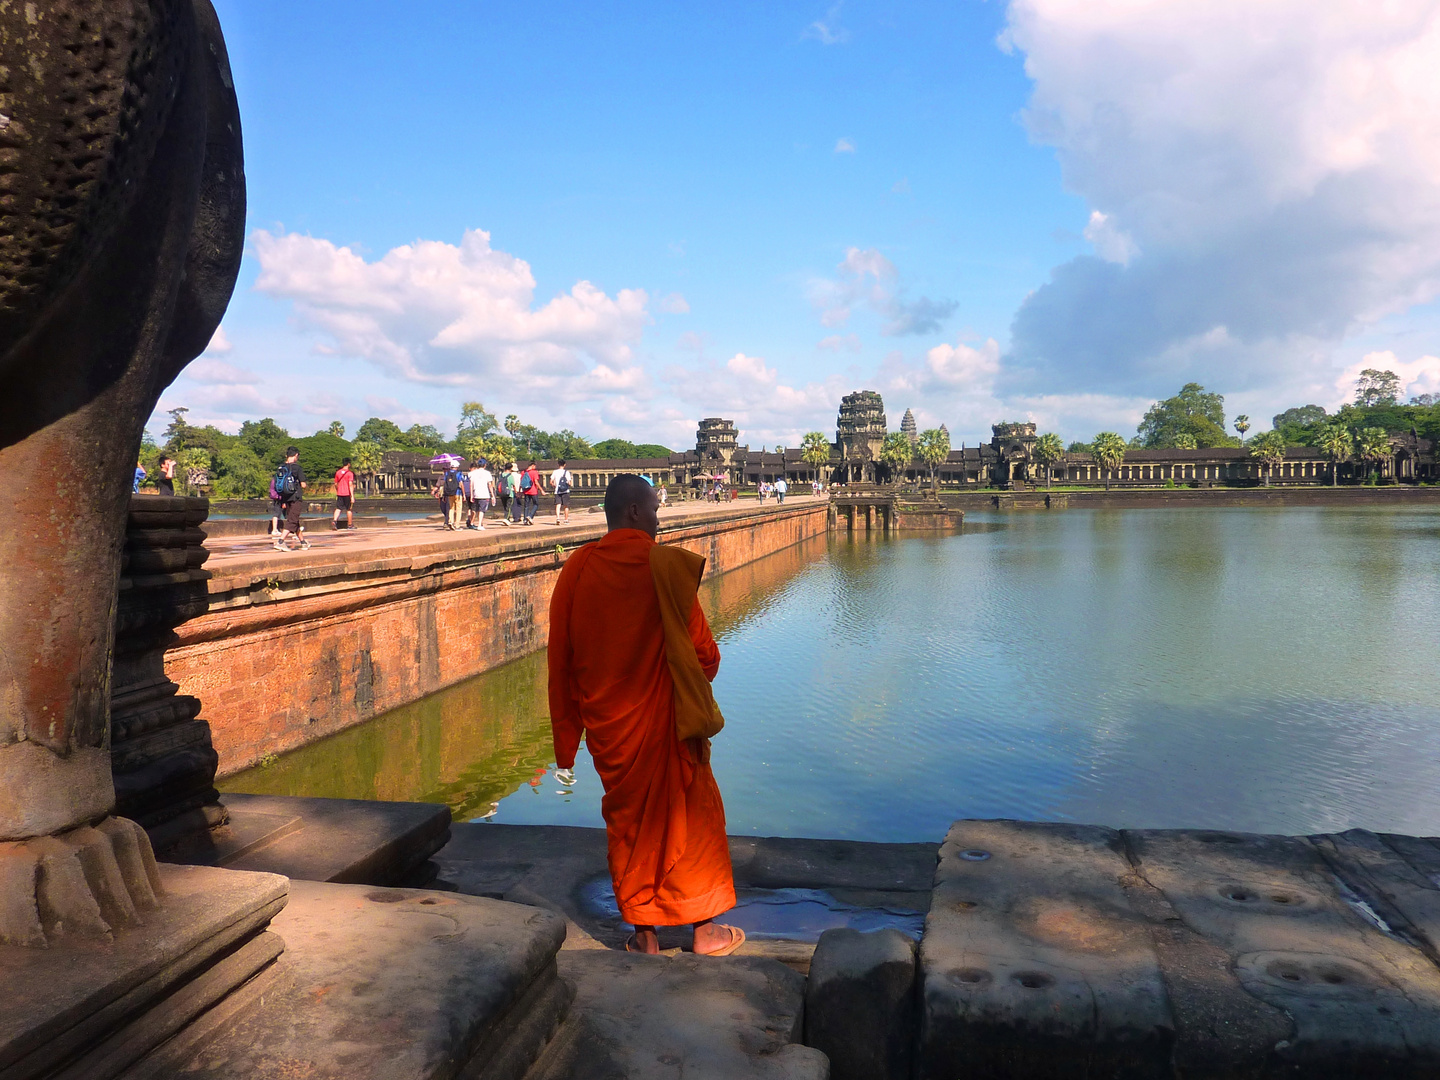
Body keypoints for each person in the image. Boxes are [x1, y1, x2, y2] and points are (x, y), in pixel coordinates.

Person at [548, 475, 745, 957]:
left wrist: (567, 737)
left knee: (629, 823)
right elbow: (705, 654)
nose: (659, 518)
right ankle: (704, 932)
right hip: (666, 723)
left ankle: (645, 936)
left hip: (611, 725)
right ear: (635, 511)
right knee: (691, 818)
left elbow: (561, 657)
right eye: (655, 509)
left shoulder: (578, 568)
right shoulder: (665, 566)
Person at [273, 446, 310, 551]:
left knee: (294, 520)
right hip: (295, 498)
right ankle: (280, 541)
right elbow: (303, 485)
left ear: (286, 455)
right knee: (292, 521)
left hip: (285, 498)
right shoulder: (297, 468)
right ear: (296, 455)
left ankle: (303, 542)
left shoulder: (280, 468)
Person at [468, 457, 494, 529]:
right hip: (484, 494)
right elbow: (490, 485)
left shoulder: (473, 473)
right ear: (485, 465)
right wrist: (493, 495)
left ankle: (473, 523)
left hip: (476, 493)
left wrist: (471, 495)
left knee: (475, 509)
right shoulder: (487, 473)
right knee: (482, 510)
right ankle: (479, 524)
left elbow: (471, 484)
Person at [332, 457, 356, 530]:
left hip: (340, 493)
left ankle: (334, 521)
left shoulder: (338, 472)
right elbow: (350, 484)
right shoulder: (350, 473)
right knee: (349, 509)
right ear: (348, 464)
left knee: (338, 508)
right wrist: (352, 496)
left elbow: (335, 483)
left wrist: (338, 490)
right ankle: (350, 525)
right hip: (347, 493)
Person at [519, 459, 543, 525]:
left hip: (526, 491)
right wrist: (541, 490)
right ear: (532, 465)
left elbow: (521, 483)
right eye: (535, 466)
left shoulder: (523, 472)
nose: (535, 467)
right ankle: (530, 516)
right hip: (533, 491)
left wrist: (519, 491)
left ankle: (525, 520)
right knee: (536, 504)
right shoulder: (534, 472)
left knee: (526, 506)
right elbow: (536, 482)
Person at [551, 458, 573, 525]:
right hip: (565, 491)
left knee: (558, 505)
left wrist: (554, 485)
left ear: (558, 464)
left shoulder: (555, 472)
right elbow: (570, 483)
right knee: (566, 506)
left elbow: (551, 482)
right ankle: (566, 520)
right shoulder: (567, 472)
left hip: (557, 491)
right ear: (565, 465)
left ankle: (558, 518)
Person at [496, 462, 515, 526]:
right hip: (509, 494)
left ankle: (507, 519)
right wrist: (516, 492)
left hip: (502, 493)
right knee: (508, 507)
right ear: (511, 468)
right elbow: (513, 485)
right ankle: (506, 519)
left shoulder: (501, 475)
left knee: (505, 507)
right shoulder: (510, 476)